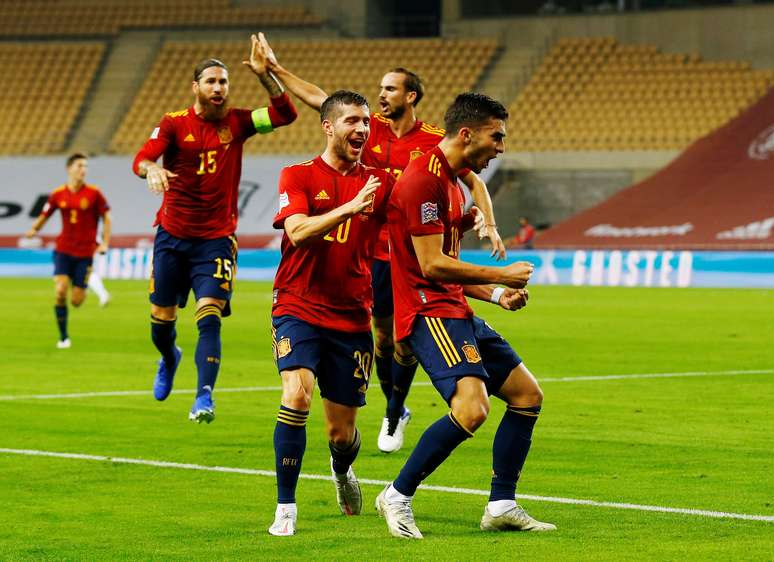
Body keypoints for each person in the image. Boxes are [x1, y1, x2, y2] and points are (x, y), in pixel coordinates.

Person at [253, 33, 507, 453]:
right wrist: (277, 71)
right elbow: (323, 100)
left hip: (409, 249)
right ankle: (394, 409)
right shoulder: (365, 132)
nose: (381, 96)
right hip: (370, 250)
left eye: (389, 88)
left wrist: (487, 222)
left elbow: (472, 177)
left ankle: (395, 409)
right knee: (384, 339)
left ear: (411, 95)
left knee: (403, 340)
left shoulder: (432, 139)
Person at [375, 93, 556, 538]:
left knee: (527, 396)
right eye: (497, 137)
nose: (501, 147)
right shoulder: (423, 181)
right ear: (466, 133)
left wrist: (495, 293)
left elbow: (449, 268)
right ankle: (397, 494)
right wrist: (502, 274)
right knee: (471, 409)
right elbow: (432, 266)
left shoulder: (453, 183)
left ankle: (501, 503)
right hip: (425, 312)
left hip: (452, 308)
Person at [132, 35, 298, 423]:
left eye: (223, 81)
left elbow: (284, 114)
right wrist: (152, 169)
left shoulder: (239, 122)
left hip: (216, 240)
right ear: (196, 86)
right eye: (211, 81)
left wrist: (265, 76)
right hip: (172, 237)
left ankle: (204, 396)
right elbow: (141, 158)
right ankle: (168, 356)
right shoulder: (174, 124)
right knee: (161, 322)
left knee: (209, 314)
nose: (219, 88)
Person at [268, 90, 395, 537]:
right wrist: (349, 207)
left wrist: (471, 212)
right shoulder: (298, 175)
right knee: (297, 394)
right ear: (328, 126)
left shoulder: (381, 184)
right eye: (352, 121)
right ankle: (286, 507)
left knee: (341, 435)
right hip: (297, 305)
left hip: (352, 317)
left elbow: (418, 224)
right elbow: (298, 231)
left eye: (366, 122)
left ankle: (341, 470)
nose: (362, 129)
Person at [25, 153, 111, 349]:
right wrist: (34, 230)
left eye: (86, 166)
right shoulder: (58, 194)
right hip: (63, 249)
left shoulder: (94, 193)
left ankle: (84, 286)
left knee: (76, 301)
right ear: (69, 168)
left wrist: (105, 242)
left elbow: (107, 218)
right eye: (80, 166)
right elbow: (45, 214)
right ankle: (63, 337)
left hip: (85, 253)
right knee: (60, 291)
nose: (83, 170)